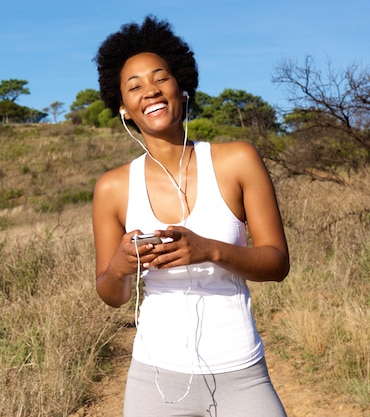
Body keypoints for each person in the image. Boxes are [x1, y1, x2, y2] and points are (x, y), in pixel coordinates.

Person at [92, 16, 290, 417]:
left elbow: (277, 263)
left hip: (241, 373)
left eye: (159, 78)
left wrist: (209, 250)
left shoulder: (237, 160)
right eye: (134, 86)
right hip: (155, 381)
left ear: (182, 88)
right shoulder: (112, 188)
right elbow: (113, 295)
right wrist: (119, 267)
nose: (150, 91)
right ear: (124, 109)